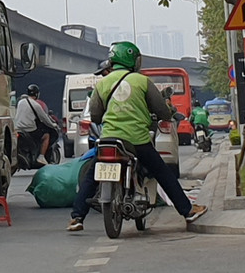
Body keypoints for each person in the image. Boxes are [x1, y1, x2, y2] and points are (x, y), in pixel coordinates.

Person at [67, 41, 206, 231]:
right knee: (163, 173)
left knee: (91, 176)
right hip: (137, 140)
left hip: (108, 139)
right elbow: (162, 111)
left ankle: (77, 217)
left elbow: (96, 116)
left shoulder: (102, 84)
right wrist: (163, 113)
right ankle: (187, 211)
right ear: (132, 60)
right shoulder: (142, 81)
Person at [14, 84, 58, 165]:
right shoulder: (36, 105)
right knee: (46, 135)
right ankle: (41, 157)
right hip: (29, 130)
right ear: (37, 94)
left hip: (18, 129)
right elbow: (45, 119)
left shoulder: (20, 102)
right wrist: (53, 125)